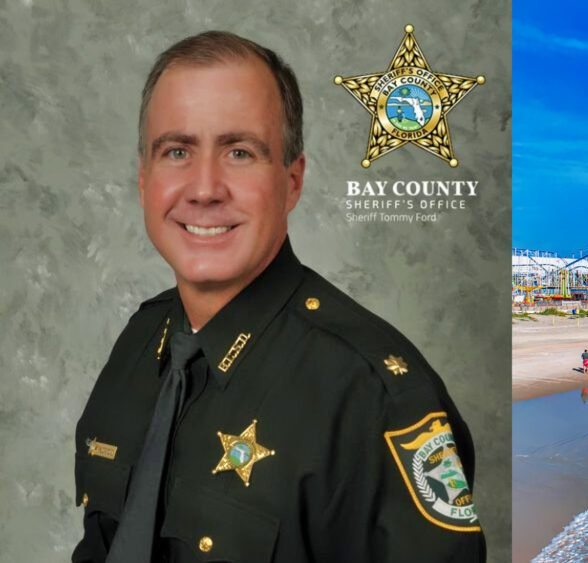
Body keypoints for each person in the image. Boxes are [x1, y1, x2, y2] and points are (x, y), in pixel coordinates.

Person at [72, 32, 483, 563]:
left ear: (291, 182)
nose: (204, 188)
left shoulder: (375, 398)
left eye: (240, 152)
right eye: (177, 151)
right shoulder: (138, 343)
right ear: (144, 180)